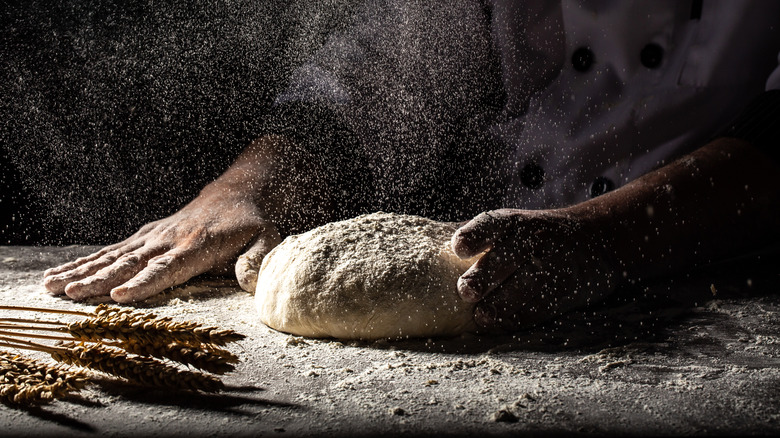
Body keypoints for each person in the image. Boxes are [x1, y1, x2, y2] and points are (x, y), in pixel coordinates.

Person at [43, 0, 780, 333]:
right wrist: (243, 188)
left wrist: (604, 238)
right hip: (501, 275)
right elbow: (373, 75)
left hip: (727, 286)